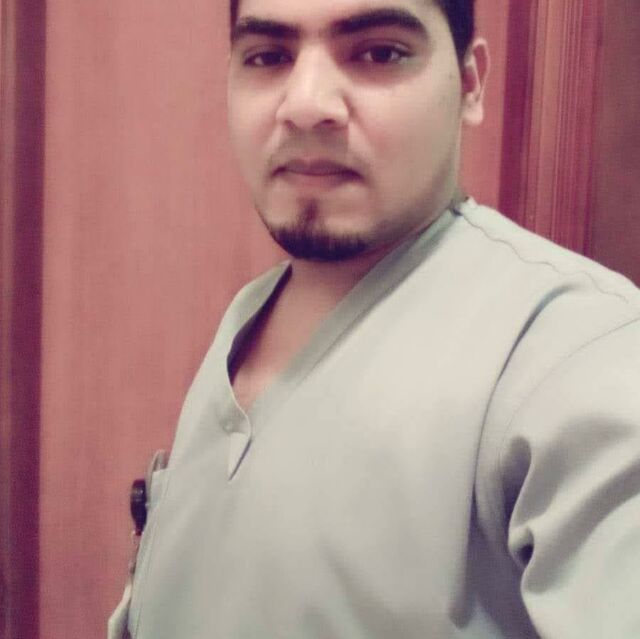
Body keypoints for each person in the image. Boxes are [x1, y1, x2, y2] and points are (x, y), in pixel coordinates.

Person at [111, 0, 640, 637]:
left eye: (379, 52)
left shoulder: (575, 350)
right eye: (268, 56)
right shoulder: (249, 314)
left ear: (470, 84)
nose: (305, 105)